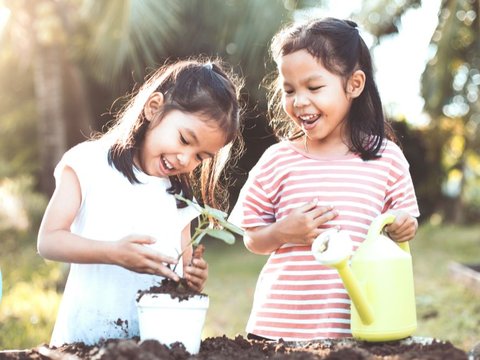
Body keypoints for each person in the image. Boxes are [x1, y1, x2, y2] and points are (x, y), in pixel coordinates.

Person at [230, 17, 419, 341]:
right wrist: (283, 231)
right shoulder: (278, 160)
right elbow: (252, 237)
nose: (299, 101)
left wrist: (403, 226)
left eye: (314, 87)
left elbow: (405, 224)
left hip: (358, 324)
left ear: (354, 84)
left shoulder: (386, 159)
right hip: (278, 330)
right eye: (289, 90)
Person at [37, 58, 242, 346]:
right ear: (153, 108)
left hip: (151, 346)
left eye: (200, 157)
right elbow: (49, 241)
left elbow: (177, 277)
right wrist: (114, 253)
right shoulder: (88, 163)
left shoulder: (180, 199)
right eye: (184, 139)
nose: (186, 159)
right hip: (83, 341)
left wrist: (193, 279)